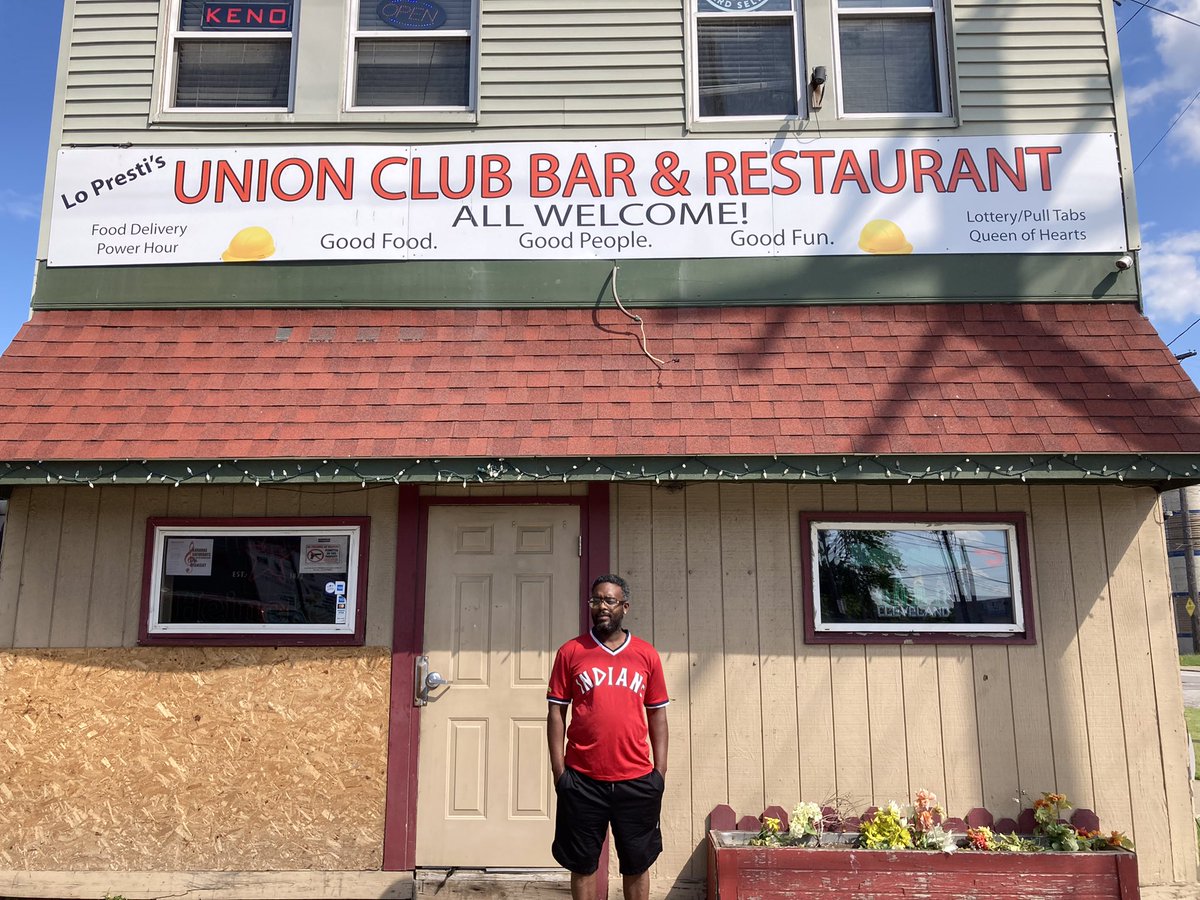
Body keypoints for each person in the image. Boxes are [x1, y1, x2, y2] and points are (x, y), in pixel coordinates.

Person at [547, 574, 669, 900]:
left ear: (625, 607)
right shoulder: (571, 652)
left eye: (609, 600)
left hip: (637, 780)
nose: (602, 606)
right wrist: (560, 772)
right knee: (583, 864)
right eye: (595, 600)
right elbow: (556, 712)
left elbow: (657, 713)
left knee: (637, 863)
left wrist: (660, 772)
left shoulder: (646, 655)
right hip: (583, 780)